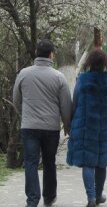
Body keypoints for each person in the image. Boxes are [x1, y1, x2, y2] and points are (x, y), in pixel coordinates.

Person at [13, 39, 72, 207]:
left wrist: (24, 115)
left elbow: (16, 100)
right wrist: (67, 126)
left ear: (37, 54)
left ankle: (32, 199)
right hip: (51, 128)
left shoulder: (24, 74)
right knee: (49, 162)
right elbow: (65, 105)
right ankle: (49, 196)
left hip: (29, 126)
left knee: (30, 162)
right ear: (51, 55)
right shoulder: (58, 77)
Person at [66, 49, 107, 207]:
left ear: (89, 62)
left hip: (86, 127)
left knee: (88, 163)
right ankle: (98, 196)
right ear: (105, 62)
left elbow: (75, 102)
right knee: (101, 163)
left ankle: (90, 197)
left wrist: (74, 120)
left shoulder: (83, 79)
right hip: (106, 126)